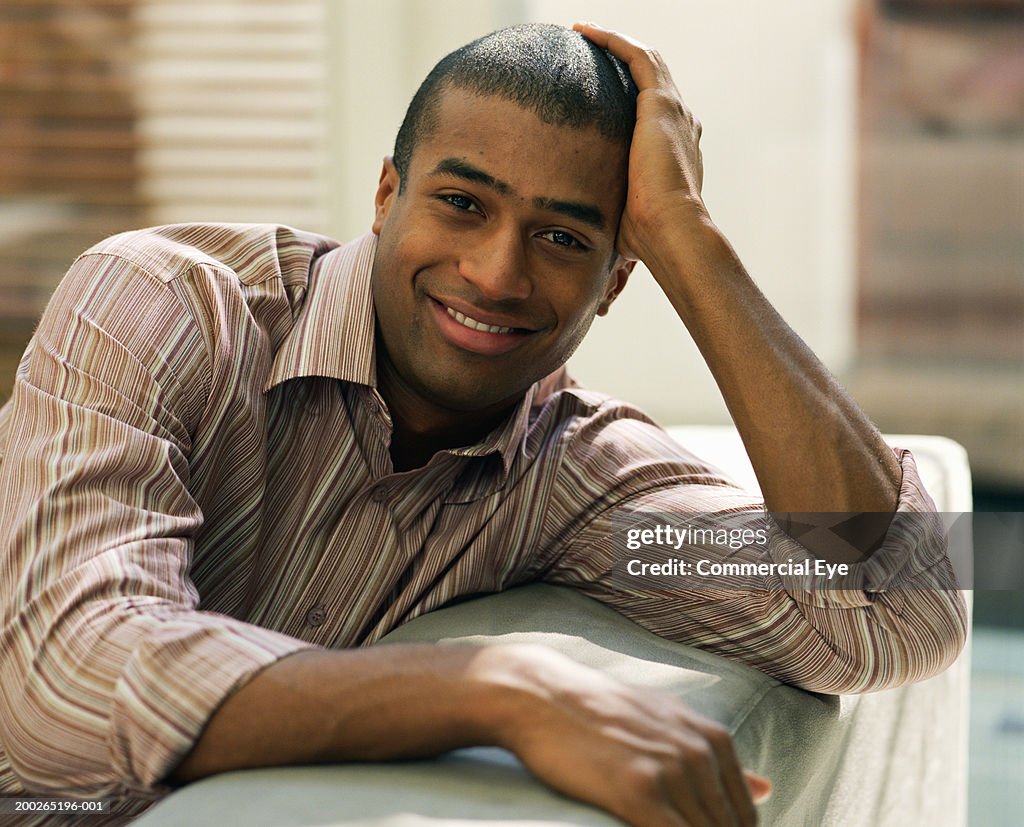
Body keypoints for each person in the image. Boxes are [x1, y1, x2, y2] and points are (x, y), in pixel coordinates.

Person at [0, 21, 965, 827]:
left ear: (616, 280)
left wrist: (688, 239)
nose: (497, 275)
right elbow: (61, 669)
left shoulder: (569, 477)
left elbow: (898, 609)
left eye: (563, 239)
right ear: (386, 196)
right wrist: (495, 689)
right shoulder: (164, 305)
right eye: (462, 203)